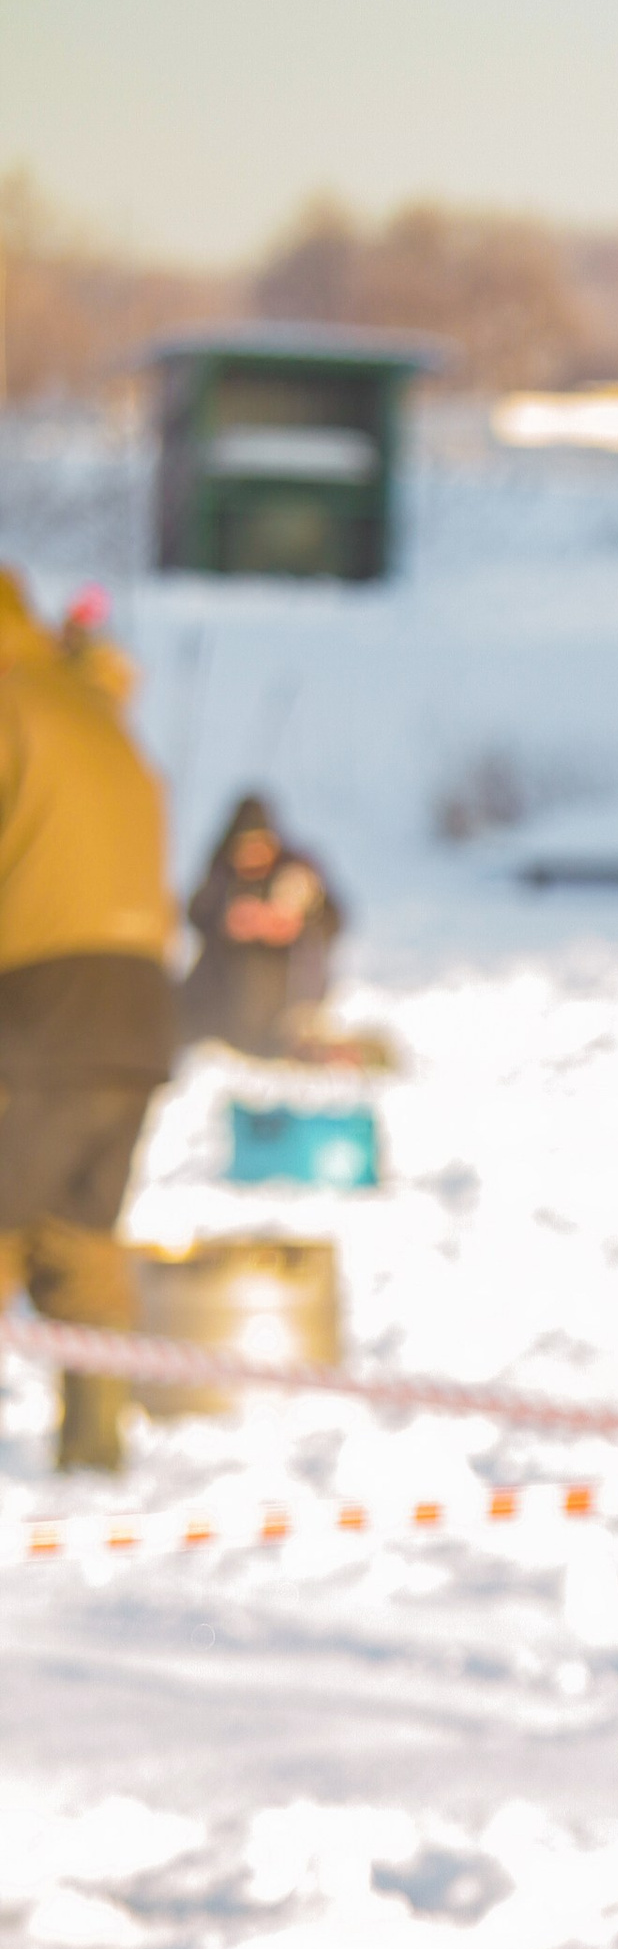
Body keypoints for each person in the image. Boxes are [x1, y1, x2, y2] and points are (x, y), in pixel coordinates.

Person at [0, 570, 177, 1474]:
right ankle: (95, 1453)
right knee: (77, 1231)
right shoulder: (88, 706)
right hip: (138, 1010)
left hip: (37, 997)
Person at [177, 790, 346, 1059]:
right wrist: (228, 921)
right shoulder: (222, 874)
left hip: (284, 993)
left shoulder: (296, 871)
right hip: (220, 991)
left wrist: (296, 921)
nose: (252, 855)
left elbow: (335, 921)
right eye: (244, 847)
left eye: (260, 845)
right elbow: (195, 913)